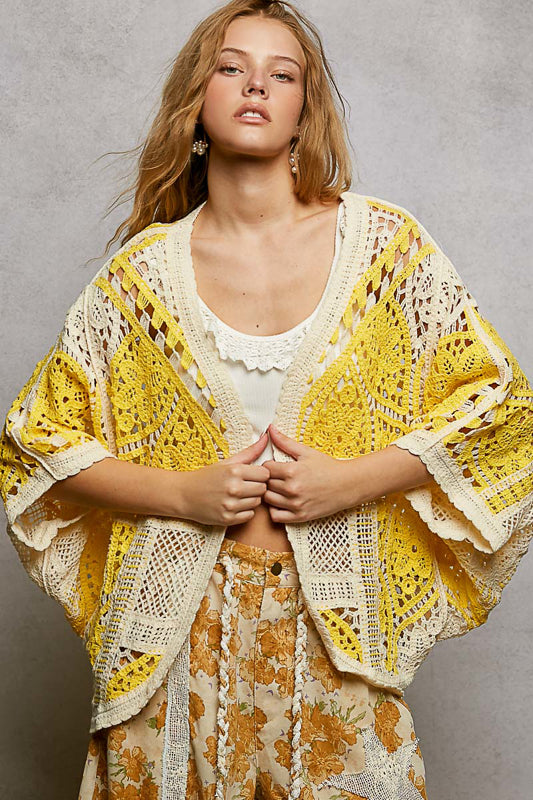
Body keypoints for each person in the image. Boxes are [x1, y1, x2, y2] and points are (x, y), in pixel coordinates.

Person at [1, 1, 532, 798]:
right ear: (197, 100)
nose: (255, 86)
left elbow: (500, 409)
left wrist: (350, 481)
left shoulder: (385, 251)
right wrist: (181, 494)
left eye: (281, 74)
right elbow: (33, 445)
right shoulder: (140, 279)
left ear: (303, 110)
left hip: (336, 634)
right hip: (170, 637)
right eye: (231, 67)